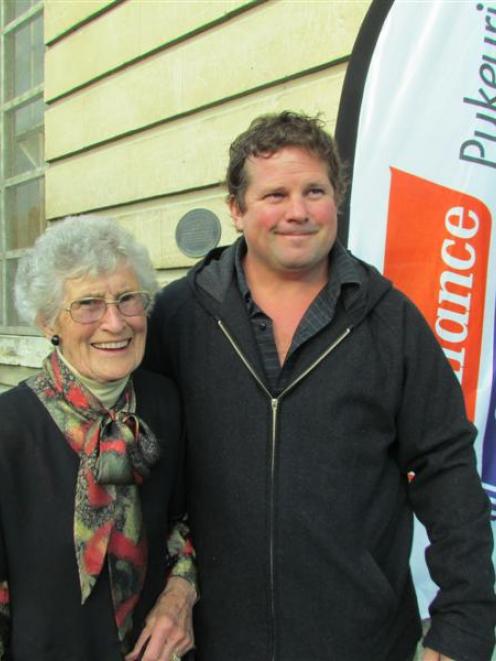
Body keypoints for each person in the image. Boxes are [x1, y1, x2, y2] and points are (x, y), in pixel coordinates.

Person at [142, 111, 496, 661]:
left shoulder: (391, 322)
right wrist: (174, 585)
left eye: (315, 190)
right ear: (236, 209)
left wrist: (463, 628)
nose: (298, 212)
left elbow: (445, 469)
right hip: (214, 641)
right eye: (275, 194)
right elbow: (147, 465)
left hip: (363, 640)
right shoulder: (180, 317)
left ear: (338, 199)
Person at [0, 216, 197, 661]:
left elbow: (185, 520)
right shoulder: (9, 430)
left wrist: (180, 592)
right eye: (88, 304)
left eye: (128, 299)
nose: (115, 323)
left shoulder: (164, 405)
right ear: (48, 320)